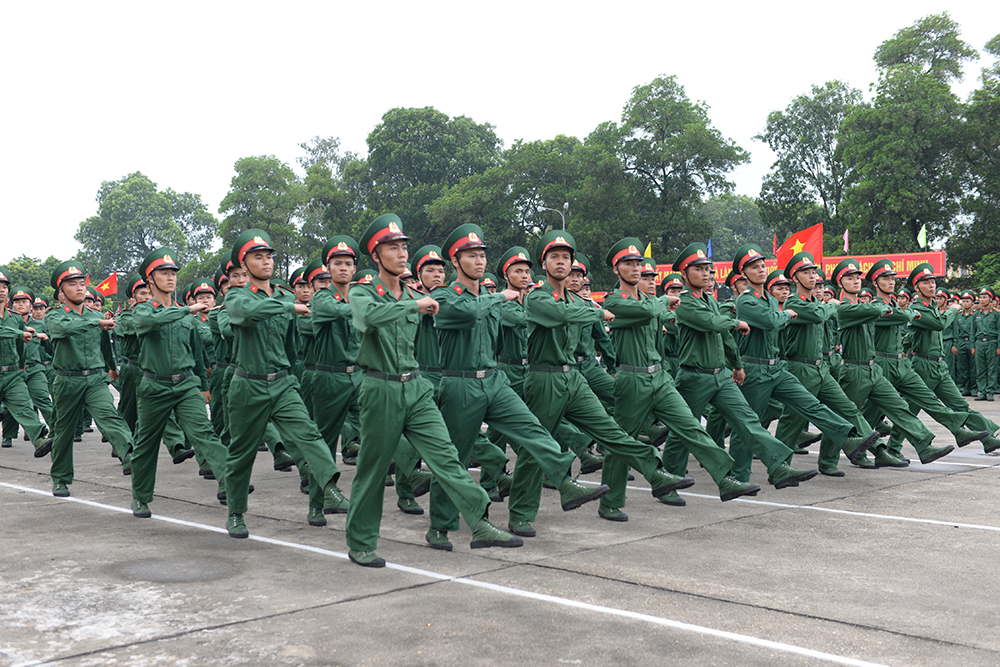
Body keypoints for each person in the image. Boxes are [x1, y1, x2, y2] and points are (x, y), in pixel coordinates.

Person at [345, 214, 523, 567]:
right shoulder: (363, 290)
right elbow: (369, 319)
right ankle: (361, 542)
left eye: (403, 247)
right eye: (392, 248)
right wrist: (414, 305)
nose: (401, 253)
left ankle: (479, 523)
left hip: (417, 389)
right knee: (373, 469)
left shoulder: (413, 293)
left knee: (448, 459)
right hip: (380, 388)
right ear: (376, 256)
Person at [426, 223, 608, 544]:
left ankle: (564, 480)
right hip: (460, 384)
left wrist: (497, 299)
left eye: (482, 254)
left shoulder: (493, 298)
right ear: (456, 262)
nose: (479, 261)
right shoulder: (445, 295)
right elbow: (467, 313)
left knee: (532, 428)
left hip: (494, 379)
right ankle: (440, 524)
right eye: (470, 255)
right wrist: (499, 297)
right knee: (454, 458)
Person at [517, 230, 698, 523]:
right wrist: (599, 313)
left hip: (573, 378)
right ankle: (522, 514)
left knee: (612, 433)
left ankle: (657, 473)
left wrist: (594, 311)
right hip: (544, 378)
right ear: (544, 263)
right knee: (536, 447)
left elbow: (586, 316)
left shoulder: (577, 299)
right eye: (554, 257)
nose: (561, 263)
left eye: (566, 257)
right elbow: (564, 315)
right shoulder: (538, 297)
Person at [601, 238, 759, 521]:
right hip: (632, 379)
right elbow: (651, 311)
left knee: (690, 426)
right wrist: (666, 301)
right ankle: (610, 501)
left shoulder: (651, 300)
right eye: (629, 264)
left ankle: (724, 478)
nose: (637, 270)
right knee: (622, 442)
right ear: (616, 269)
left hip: (659, 377)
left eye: (640, 265)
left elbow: (673, 318)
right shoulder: (614, 301)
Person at [223, 229, 349, 538]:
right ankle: (236, 512)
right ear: (244, 262)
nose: (265, 262)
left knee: (309, 435)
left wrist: (294, 375)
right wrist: (288, 307)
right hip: (248, 383)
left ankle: (328, 487)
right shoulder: (237, 295)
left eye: (268, 256)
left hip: (282, 382)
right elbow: (246, 313)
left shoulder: (282, 294)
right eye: (257, 257)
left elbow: (290, 346)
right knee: (242, 452)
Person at [666, 243, 818, 488]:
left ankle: (778, 467)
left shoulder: (708, 299)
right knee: (684, 430)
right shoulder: (686, 302)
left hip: (721, 375)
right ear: (684, 274)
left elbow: (723, 336)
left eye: (708, 269)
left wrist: (736, 364)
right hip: (694, 377)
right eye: (698, 269)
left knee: (748, 421)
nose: (706, 274)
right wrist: (736, 322)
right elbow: (712, 323)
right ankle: (671, 478)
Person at [729, 246, 877, 480]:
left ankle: (848, 437)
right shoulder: (747, 300)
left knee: (811, 405)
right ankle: (739, 476)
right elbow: (771, 321)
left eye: (762, 266)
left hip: (777, 367)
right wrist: (787, 314)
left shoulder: (768, 299)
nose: (760, 270)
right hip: (756, 369)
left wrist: (783, 315)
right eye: (753, 267)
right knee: (750, 424)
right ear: (743, 274)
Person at [129, 248, 233, 517]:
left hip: (186, 384)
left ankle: (229, 482)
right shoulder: (142, 310)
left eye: (173, 273)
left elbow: (196, 352)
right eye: (164, 273)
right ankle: (140, 497)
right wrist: (187, 309)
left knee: (204, 432)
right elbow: (148, 322)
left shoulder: (184, 313)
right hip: (155, 385)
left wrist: (203, 384)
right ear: (150, 279)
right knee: (146, 444)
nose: (171, 277)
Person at [830, 258, 954, 466]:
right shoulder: (845, 308)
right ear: (840, 283)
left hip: (873, 369)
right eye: (849, 279)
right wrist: (905, 312)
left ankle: (923, 445)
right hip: (853, 369)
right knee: (848, 416)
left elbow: (885, 312)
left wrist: (897, 312)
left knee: (898, 406)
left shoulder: (864, 305)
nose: (856, 282)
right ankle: (829, 458)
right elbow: (878, 311)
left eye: (857, 278)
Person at [864, 259, 988, 456]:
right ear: (876, 283)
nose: (891, 282)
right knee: (875, 412)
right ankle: (854, 446)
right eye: (885, 279)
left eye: (892, 278)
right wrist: (918, 312)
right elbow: (923, 322)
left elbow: (907, 331)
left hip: (904, 363)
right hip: (887, 363)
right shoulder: (877, 306)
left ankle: (961, 434)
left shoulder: (899, 305)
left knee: (928, 402)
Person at [47, 260, 134, 496]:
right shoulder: (55, 317)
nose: (79, 288)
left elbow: (105, 344)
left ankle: (129, 454)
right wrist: (97, 321)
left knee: (110, 416)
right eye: (72, 284)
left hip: (95, 378)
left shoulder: (96, 316)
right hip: (67, 381)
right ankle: (61, 479)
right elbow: (66, 330)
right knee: (64, 432)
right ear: (61, 292)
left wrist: (111, 367)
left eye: (81, 283)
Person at [903, 265, 1000, 454]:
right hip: (923, 365)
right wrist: (954, 309)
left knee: (960, 405)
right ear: (916, 288)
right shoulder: (916, 308)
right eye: (925, 283)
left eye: (932, 281)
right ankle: (892, 447)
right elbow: (938, 325)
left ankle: (987, 437)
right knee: (910, 410)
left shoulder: (931, 307)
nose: (931, 286)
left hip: (939, 365)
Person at [0, 276, 54, 456]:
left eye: (4, 287)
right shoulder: (18, 325)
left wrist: (21, 366)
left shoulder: (14, 318)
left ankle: (39, 440)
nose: (1, 289)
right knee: (8, 409)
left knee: (24, 406)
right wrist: (20, 332)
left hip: (13, 372)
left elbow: (20, 345)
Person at [972, 287, 1000, 401]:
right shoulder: (976, 314)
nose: (982, 300)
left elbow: (999, 331)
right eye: (981, 297)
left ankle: (991, 392)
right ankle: (982, 391)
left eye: (985, 297)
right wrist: (972, 346)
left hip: (992, 342)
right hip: (979, 343)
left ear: (990, 299)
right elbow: (972, 332)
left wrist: (999, 346)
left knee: (992, 368)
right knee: (980, 369)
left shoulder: (996, 314)